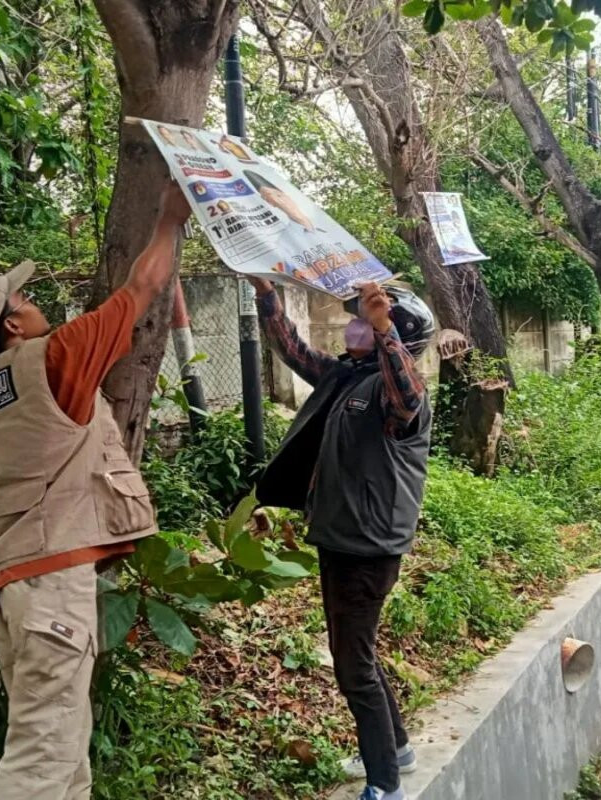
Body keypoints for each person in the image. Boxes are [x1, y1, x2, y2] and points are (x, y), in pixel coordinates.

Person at [0, 183, 193, 799]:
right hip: (51, 584)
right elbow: (143, 286)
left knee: (64, 755)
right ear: (13, 322)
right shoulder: (55, 359)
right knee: (40, 764)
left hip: (11, 581)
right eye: (21, 296)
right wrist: (172, 215)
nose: (31, 301)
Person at [251, 277, 434, 800]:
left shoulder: (395, 391)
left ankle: (385, 784)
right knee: (359, 652)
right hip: (341, 541)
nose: (354, 322)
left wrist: (383, 331)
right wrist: (268, 295)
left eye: (367, 318)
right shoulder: (347, 377)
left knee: (353, 668)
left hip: (366, 549)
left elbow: (406, 396)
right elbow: (293, 350)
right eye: (358, 315)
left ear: (391, 332)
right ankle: (395, 749)